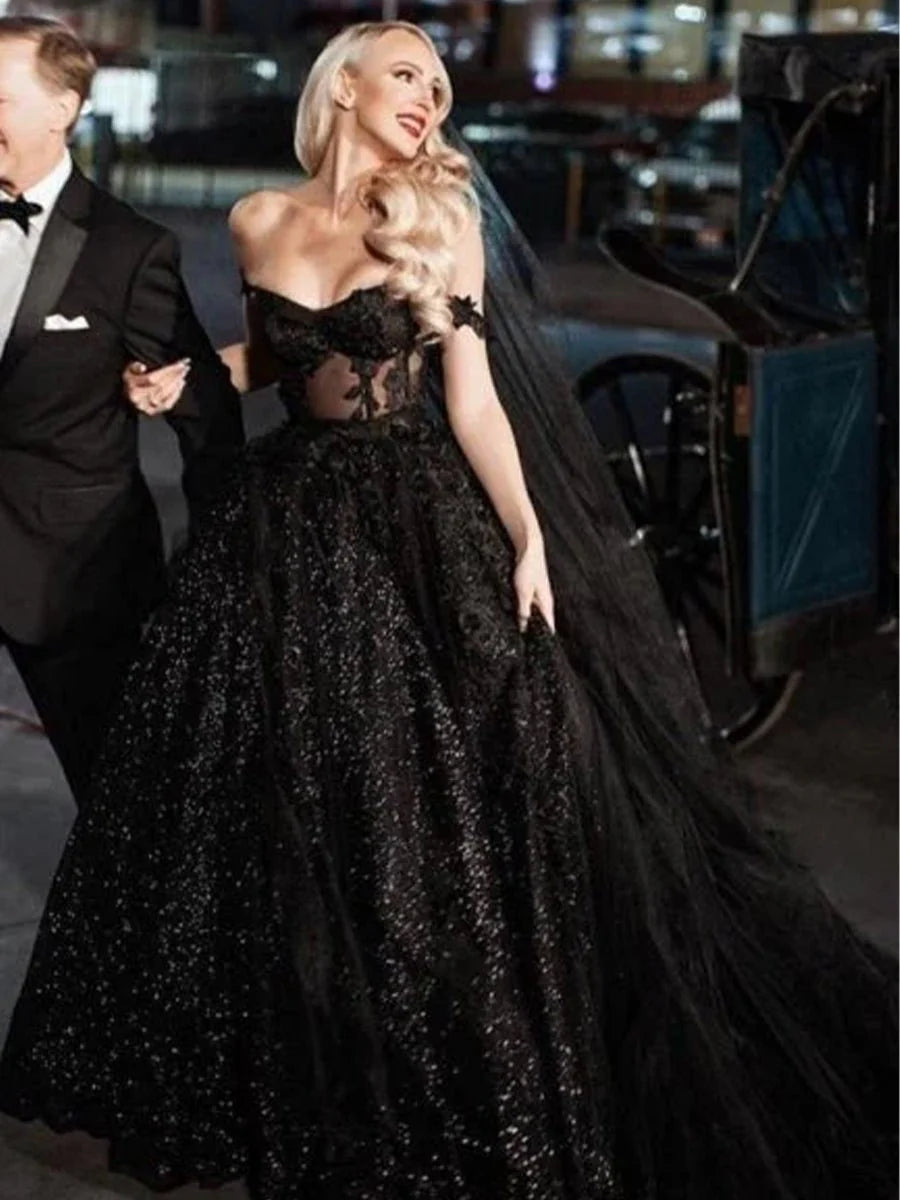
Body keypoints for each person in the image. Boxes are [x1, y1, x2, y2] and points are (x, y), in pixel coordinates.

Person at [0, 20, 895, 1200]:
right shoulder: (258, 219)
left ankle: (423, 1053)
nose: (430, 94)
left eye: (438, 82)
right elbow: (277, 357)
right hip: (284, 525)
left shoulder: (435, 217)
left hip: (413, 519)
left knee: (415, 802)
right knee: (276, 795)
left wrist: (526, 534)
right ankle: (294, 1056)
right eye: (406, 74)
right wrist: (191, 373)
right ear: (344, 87)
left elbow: (470, 399)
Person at [0, 16, 244, 805]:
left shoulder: (128, 248)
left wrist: (215, 564)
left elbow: (206, 415)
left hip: (72, 572)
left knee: (118, 799)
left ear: (62, 108)